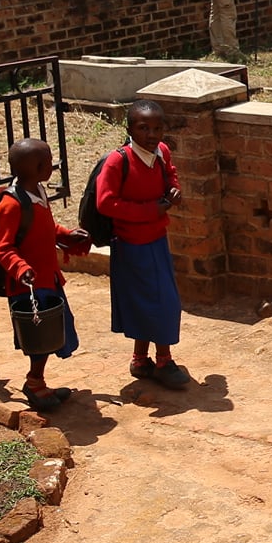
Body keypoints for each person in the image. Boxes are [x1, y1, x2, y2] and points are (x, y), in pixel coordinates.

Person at [0, 137, 91, 412]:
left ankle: (38, 381)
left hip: (48, 278)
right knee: (39, 337)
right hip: (29, 286)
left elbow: (45, 226)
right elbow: (4, 248)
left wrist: (67, 234)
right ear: (36, 167)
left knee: (52, 333)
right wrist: (21, 269)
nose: (52, 166)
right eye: (48, 162)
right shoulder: (12, 205)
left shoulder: (38, 193)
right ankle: (34, 383)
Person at [98, 100, 191, 389]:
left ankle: (140, 359)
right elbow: (105, 202)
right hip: (131, 245)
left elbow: (170, 174)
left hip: (156, 239)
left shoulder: (161, 152)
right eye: (143, 128)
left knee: (153, 300)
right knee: (159, 302)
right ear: (129, 129)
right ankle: (163, 361)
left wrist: (173, 190)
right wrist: (150, 210)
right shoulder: (119, 161)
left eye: (157, 128)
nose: (151, 135)